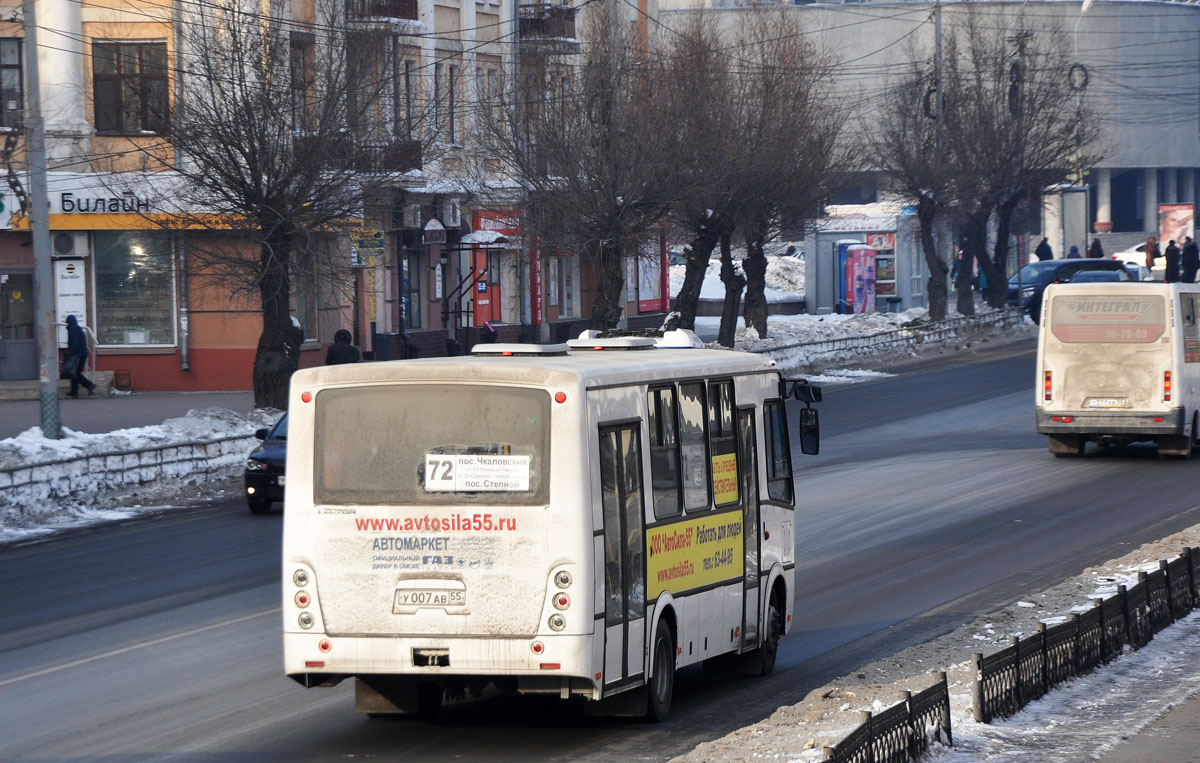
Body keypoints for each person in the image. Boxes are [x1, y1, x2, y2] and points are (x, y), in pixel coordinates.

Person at [62, 314, 96, 398]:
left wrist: (71, 353)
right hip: (82, 354)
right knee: (74, 373)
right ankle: (74, 391)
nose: (67, 324)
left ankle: (89, 385)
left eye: (67, 323)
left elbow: (74, 343)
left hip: (78, 355)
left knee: (76, 373)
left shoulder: (73, 330)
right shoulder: (77, 329)